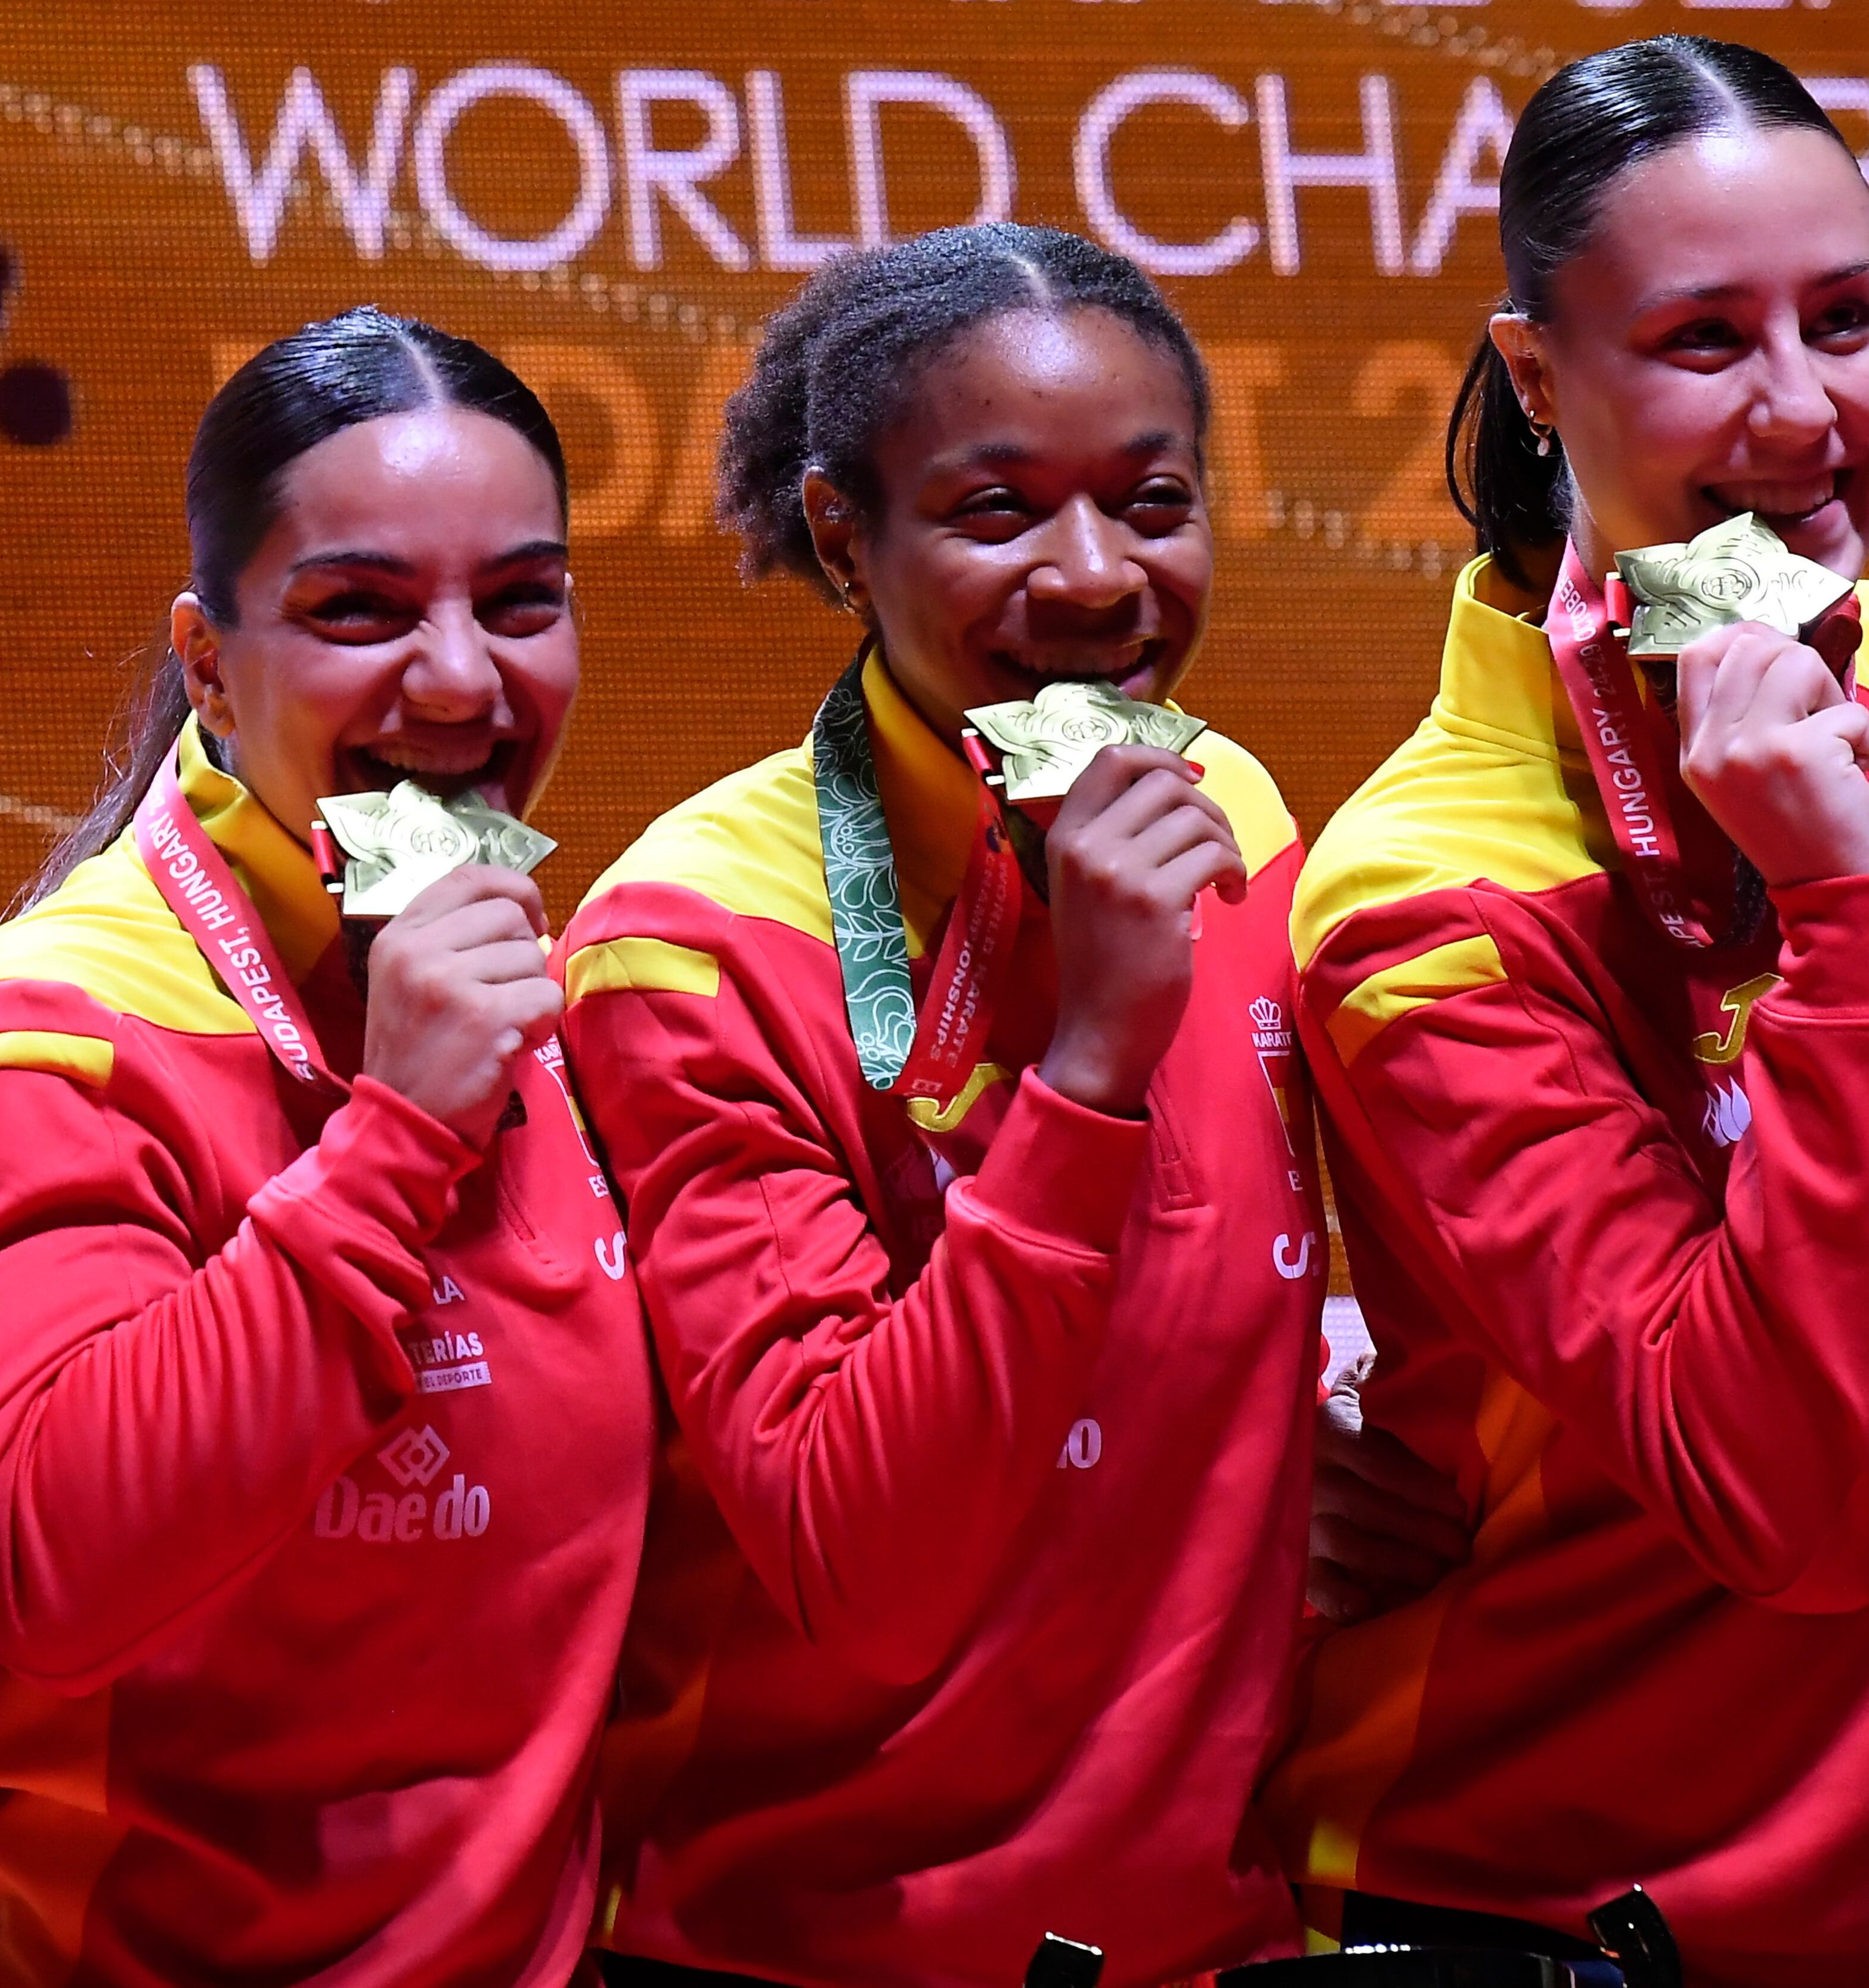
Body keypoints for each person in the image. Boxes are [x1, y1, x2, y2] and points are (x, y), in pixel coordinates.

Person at [1260, 36, 1869, 1983]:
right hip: (1553, 1921)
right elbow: (1788, 1506)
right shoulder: (1428, 897)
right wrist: (1846, 902)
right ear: (1540, 381)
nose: (1806, 412)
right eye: (1707, 339)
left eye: (1846, 319)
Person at [553, 222, 1326, 1987]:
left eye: (1152, 501)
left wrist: (1312, 1468)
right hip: (799, 1958)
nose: (1094, 579)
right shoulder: (694, 942)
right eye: (997, 514)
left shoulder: (1242, 816)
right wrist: (1092, 1071)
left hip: (1218, 1946)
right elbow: (861, 1554)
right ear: (846, 533)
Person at [0, 308, 652, 1988]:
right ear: (209, 659)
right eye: (359, 611)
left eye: (522, 603)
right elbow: (52, 1568)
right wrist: (395, 1137)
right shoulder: (40, 1037)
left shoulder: (550, 1019)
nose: (460, 680)